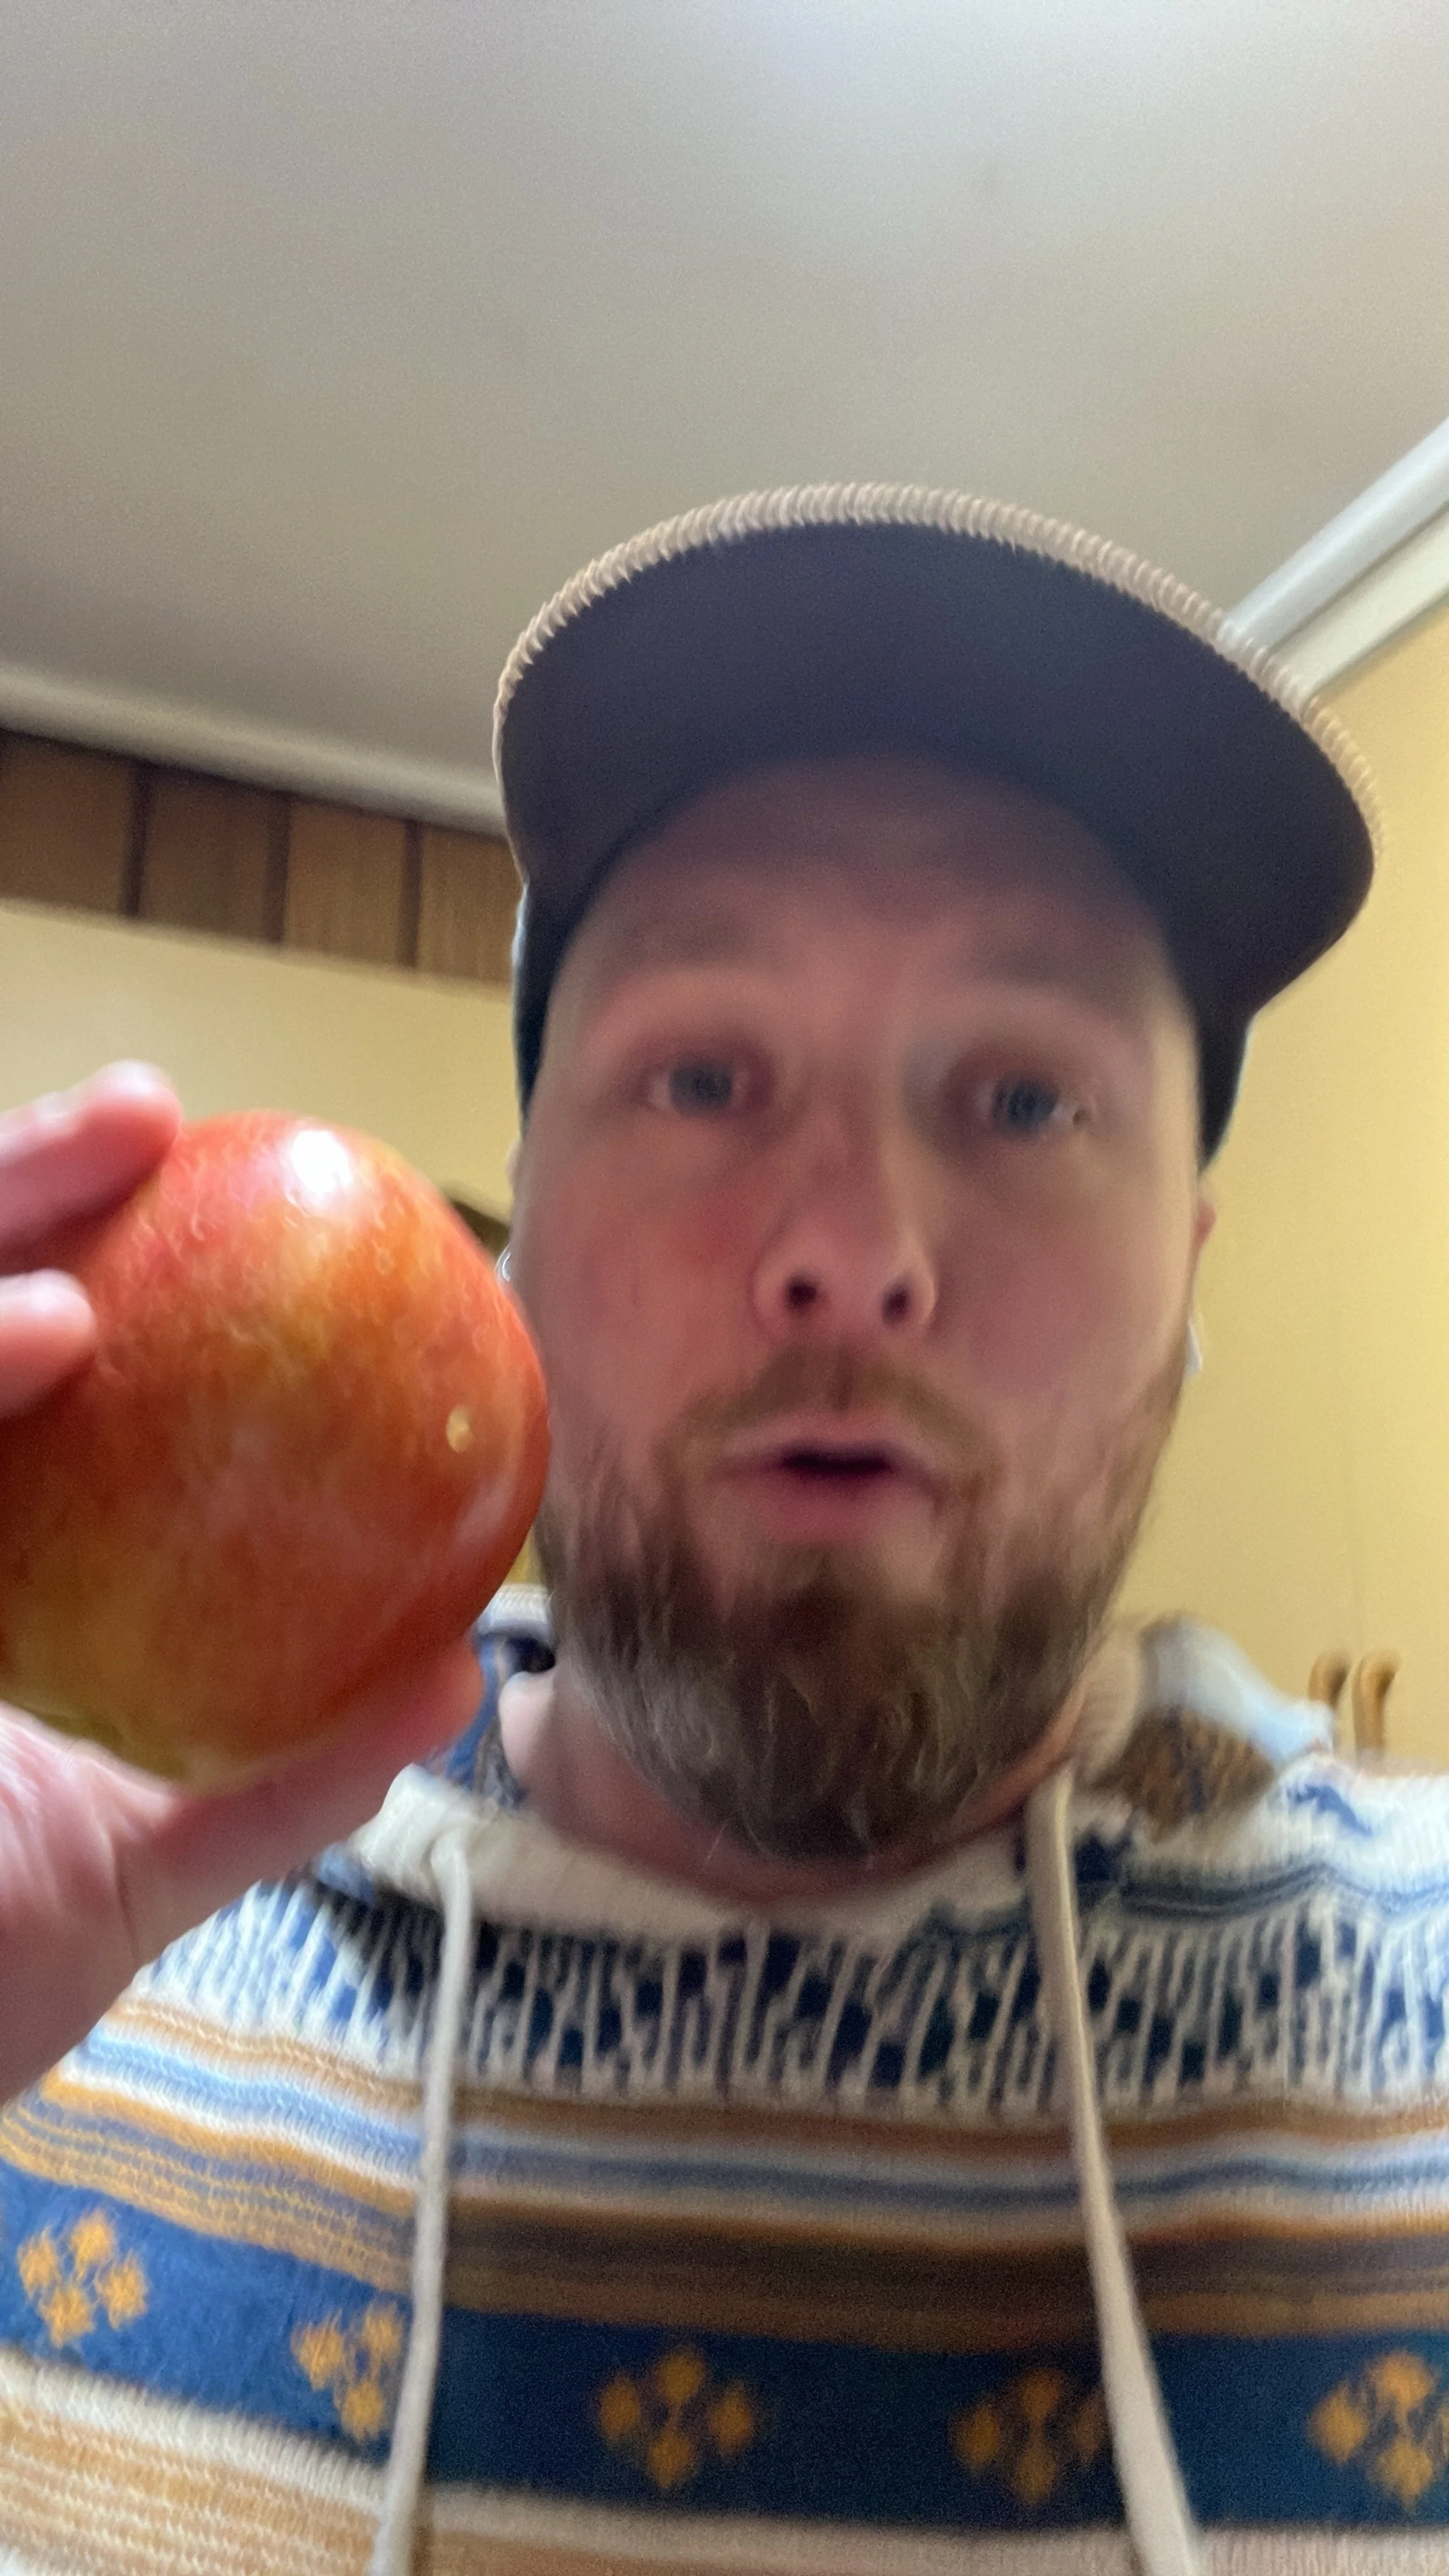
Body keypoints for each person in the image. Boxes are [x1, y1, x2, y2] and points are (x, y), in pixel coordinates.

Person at [1, 485, 1446, 2576]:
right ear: (511, 1245)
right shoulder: (73, 1966)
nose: (851, 1254)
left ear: (1187, 1279)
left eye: (1026, 1101)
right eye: (698, 1077)